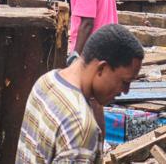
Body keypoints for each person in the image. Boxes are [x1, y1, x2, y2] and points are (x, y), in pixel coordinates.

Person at [16, 24, 144, 163]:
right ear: (102, 68)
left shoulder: (46, 81)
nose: (126, 91)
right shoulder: (81, 126)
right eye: (125, 82)